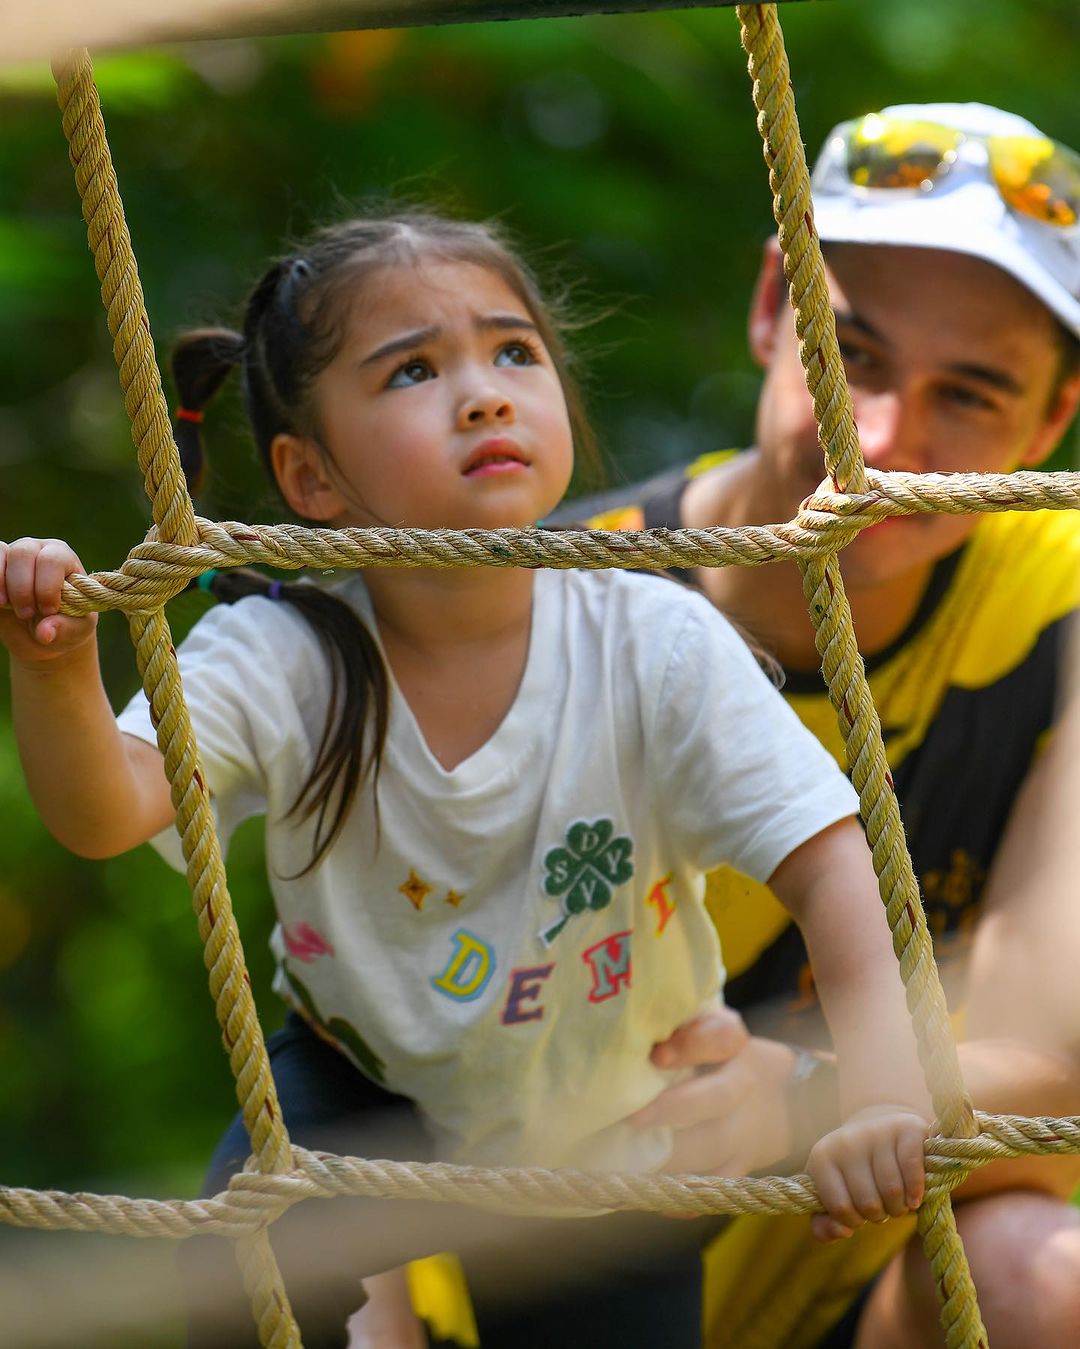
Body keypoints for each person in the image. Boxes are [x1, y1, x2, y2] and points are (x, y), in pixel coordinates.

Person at [0, 211, 933, 1348]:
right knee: (240, 1264)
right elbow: (107, 814)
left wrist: (884, 1090)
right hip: (365, 1084)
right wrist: (53, 668)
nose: (483, 393)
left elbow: (831, 858)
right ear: (311, 475)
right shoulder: (283, 655)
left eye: (513, 352)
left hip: (615, 1108)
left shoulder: (654, 639)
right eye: (411, 370)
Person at [547, 101, 1080, 1348]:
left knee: (1044, 1278)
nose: (882, 445)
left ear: (1050, 427)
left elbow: (1050, 1049)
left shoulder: (1056, 596)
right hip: (529, 1275)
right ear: (773, 302)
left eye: (973, 394)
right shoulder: (554, 604)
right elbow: (372, 1035)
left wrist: (800, 1100)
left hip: (863, 1281)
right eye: (858, 355)